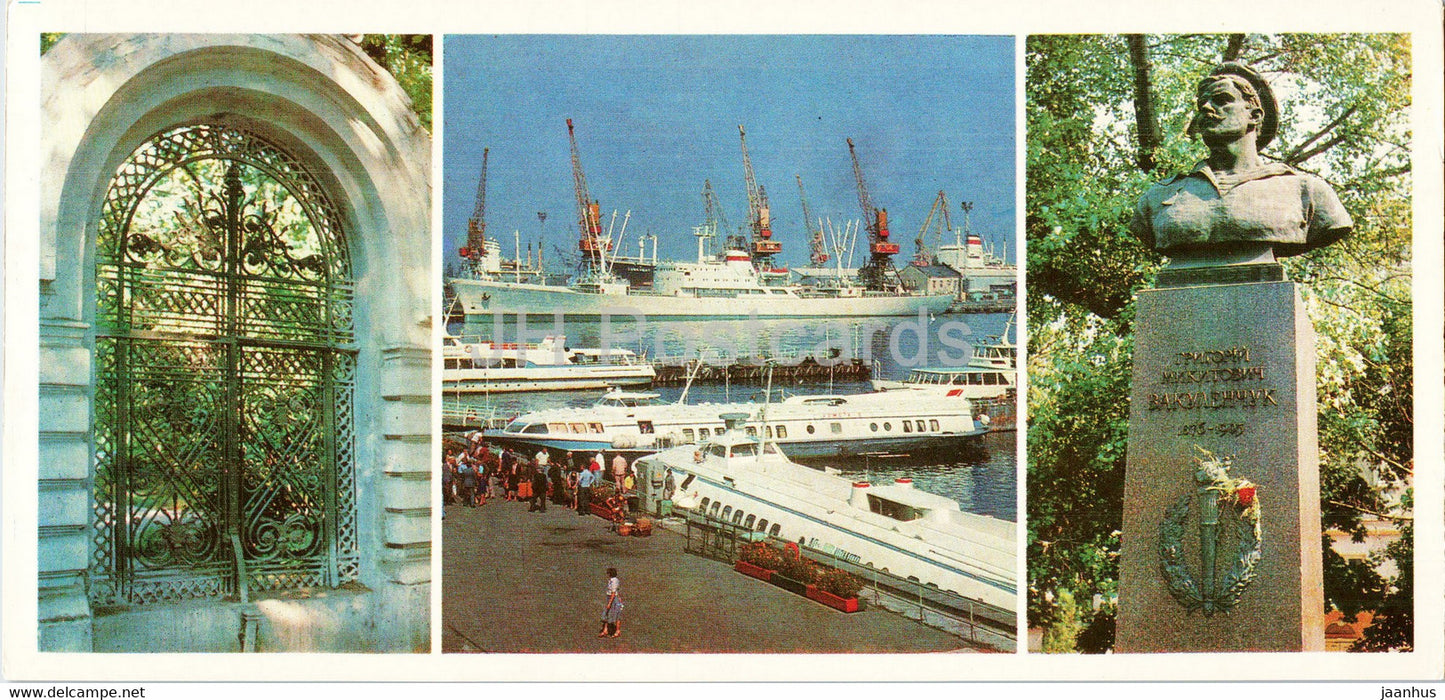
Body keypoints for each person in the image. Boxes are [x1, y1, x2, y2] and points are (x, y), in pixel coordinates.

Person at [1131, 63, 1352, 264]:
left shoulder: (1306, 192)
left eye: (1222, 100)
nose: (1206, 108)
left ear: (1254, 116)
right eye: (1202, 104)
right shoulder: (1158, 197)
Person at [598, 567, 623, 639]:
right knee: (607, 614)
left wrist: (609, 603)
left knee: (615, 614)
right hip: (610, 597)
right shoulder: (611, 580)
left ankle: (617, 631)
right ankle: (605, 630)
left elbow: (613, 593)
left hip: (613, 599)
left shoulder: (614, 581)